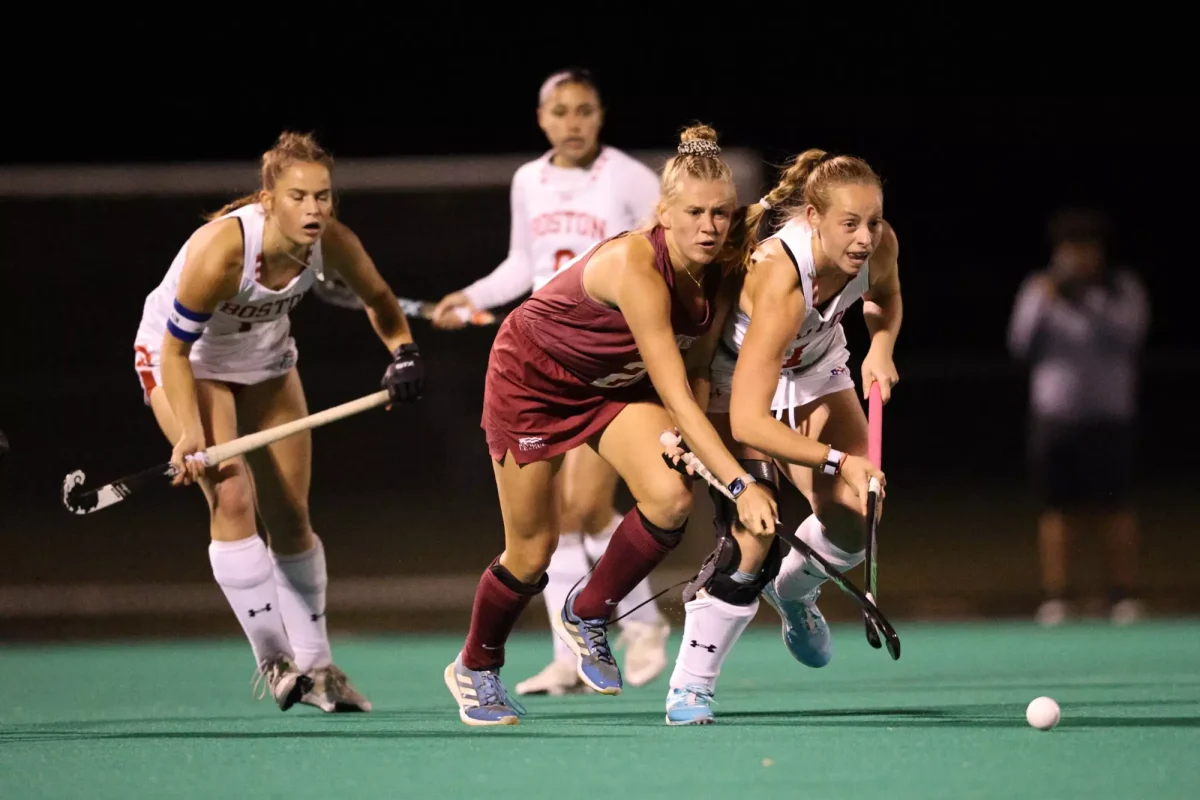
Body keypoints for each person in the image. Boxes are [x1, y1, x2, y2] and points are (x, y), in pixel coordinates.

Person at [442, 125, 779, 727]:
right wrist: (739, 485)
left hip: (610, 388)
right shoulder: (635, 266)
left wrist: (686, 443)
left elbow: (697, 373)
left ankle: (589, 612)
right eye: (694, 213)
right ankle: (476, 666)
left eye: (721, 214)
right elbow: (674, 390)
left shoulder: (719, 272)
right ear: (664, 214)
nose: (709, 226)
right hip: (532, 382)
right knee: (533, 550)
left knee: (670, 497)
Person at [132, 131, 426, 713]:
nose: (314, 209)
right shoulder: (224, 252)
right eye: (298, 196)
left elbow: (379, 298)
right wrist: (189, 432)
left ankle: (318, 669)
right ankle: (274, 657)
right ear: (269, 199)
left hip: (265, 360)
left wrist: (404, 352)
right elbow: (173, 352)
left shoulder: (331, 241)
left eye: (323, 196)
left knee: (291, 515)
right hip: (187, 362)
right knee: (234, 495)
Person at [430, 67, 671, 696]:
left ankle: (642, 626)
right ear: (542, 118)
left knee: (591, 506)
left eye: (584, 110)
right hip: (544, 366)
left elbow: (662, 258)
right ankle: (570, 660)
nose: (572, 122)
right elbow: (523, 264)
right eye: (560, 111)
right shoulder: (527, 180)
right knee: (552, 526)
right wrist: (470, 296)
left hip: (605, 365)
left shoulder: (631, 178)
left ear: (601, 115)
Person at [661, 148, 899, 725]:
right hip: (734, 387)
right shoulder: (780, 279)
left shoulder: (881, 244)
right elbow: (748, 422)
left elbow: (883, 298)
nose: (865, 236)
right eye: (850, 224)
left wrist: (881, 349)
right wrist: (841, 458)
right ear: (813, 218)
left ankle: (792, 593)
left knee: (856, 510)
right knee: (753, 534)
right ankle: (691, 686)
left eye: (872, 220)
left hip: (817, 371)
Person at [1007, 207, 1150, 626]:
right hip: (1056, 418)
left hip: (1110, 417)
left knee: (1116, 507)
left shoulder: (1121, 289)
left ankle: (1123, 595)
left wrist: (1085, 304)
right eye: (1071, 249)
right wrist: (1048, 300)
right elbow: (1019, 342)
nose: (1079, 258)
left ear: (1099, 252)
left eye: (1086, 249)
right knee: (1057, 510)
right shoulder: (1040, 288)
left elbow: (1130, 335)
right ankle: (1058, 597)